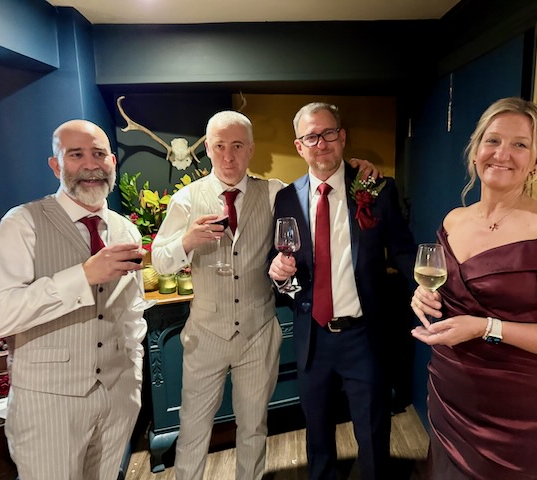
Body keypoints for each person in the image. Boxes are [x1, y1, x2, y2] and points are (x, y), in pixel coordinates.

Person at [151, 109, 380, 480]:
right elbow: (159, 261)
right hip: (206, 334)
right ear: (207, 149)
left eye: (237, 146)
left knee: (254, 426)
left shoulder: (275, 192)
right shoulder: (186, 199)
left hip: (258, 332)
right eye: (220, 146)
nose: (229, 156)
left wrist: (357, 169)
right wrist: (187, 241)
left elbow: (320, 180)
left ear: (251, 149)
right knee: (193, 428)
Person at [410, 97, 537, 479]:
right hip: (449, 394)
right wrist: (424, 296)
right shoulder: (454, 220)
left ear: (535, 162)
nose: (502, 154)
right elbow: (450, 293)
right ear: (475, 151)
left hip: (514, 412)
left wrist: (486, 327)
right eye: (493, 140)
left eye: (520, 144)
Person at [0, 119, 148, 480]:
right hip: (47, 405)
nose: (90, 165)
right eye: (76, 155)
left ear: (112, 163)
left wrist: (132, 374)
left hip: (118, 396)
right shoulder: (22, 224)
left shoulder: (126, 230)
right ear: (56, 166)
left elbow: (132, 311)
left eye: (99, 154)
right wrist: (82, 276)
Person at [268, 102, 417, 480]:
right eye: (311, 137)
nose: (321, 143)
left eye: (329, 133)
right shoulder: (286, 198)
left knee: (373, 431)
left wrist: (427, 290)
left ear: (342, 136)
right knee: (317, 434)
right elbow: (282, 265)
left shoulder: (376, 188)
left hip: (364, 335)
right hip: (312, 336)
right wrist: (280, 275)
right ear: (299, 146)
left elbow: (402, 250)